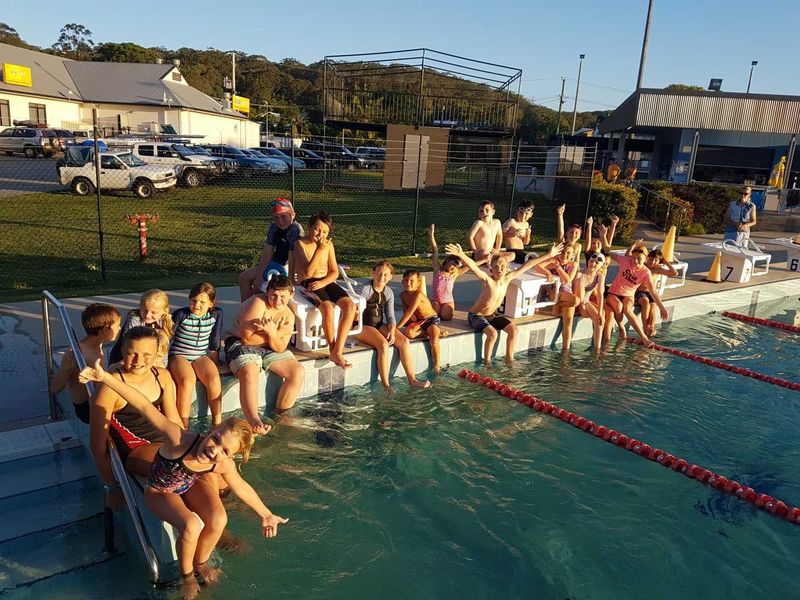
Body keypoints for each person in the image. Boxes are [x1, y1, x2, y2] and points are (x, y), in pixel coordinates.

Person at [79, 361, 287, 600]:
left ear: (231, 456)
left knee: (219, 518)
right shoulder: (179, 438)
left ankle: (201, 563)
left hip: (186, 485)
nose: (215, 450)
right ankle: (186, 576)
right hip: (159, 491)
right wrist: (105, 377)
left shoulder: (222, 463)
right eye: (216, 439)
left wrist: (265, 514)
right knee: (191, 525)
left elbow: (241, 486)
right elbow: (145, 407)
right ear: (211, 430)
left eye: (225, 451)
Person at [90, 326, 181, 513]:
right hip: (135, 449)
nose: (139, 361)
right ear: (122, 350)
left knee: (213, 474)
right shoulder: (110, 387)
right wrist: (111, 486)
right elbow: (98, 444)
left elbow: (175, 421)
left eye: (147, 354)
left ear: (157, 354)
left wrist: (192, 445)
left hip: (163, 441)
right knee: (176, 472)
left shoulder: (162, 376)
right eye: (132, 353)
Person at [444, 242, 562, 366]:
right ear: (491, 269)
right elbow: (473, 266)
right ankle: (487, 362)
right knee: (492, 333)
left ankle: (509, 359)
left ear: (507, 267)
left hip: (491, 316)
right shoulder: (488, 280)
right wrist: (461, 254)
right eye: (495, 267)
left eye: (502, 266)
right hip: (476, 316)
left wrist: (548, 255)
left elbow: (528, 265)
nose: (499, 269)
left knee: (514, 330)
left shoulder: (508, 278)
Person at [225, 275, 305, 435]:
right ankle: (254, 421)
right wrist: (275, 334)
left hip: (268, 346)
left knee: (297, 371)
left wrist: (272, 333)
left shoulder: (288, 314)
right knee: (250, 371)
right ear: (267, 292)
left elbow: (280, 347)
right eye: (273, 295)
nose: (277, 300)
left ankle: (280, 416)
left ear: (291, 294)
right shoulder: (258, 303)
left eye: (283, 296)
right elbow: (247, 339)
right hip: (239, 342)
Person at [291, 211, 357, 369]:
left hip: (326, 281)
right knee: (327, 307)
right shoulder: (300, 244)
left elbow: (334, 271)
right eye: (317, 229)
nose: (320, 234)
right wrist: (319, 250)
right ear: (309, 227)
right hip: (309, 283)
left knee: (350, 306)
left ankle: (338, 350)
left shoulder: (329, 245)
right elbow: (307, 272)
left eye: (325, 231)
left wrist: (324, 282)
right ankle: (333, 348)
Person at [354, 261, 431, 390]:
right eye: (379, 273)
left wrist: (392, 328)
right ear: (373, 273)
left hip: (378, 324)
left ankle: (412, 380)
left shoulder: (388, 292)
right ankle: (386, 385)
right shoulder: (365, 289)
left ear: (390, 277)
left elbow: (390, 315)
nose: (382, 277)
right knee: (383, 345)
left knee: (404, 341)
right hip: (361, 325)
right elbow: (355, 310)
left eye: (386, 275)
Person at [50, 303, 121, 424]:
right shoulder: (78, 353)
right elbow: (54, 389)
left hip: (96, 399)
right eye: (117, 325)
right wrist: (66, 367)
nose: (119, 329)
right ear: (105, 329)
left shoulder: (97, 343)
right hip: (86, 408)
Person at [169, 283, 224, 428]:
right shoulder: (182, 315)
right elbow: (167, 337)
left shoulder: (215, 314)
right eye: (193, 300)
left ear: (212, 303)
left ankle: (217, 423)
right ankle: (183, 425)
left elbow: (214, 339)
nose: (197, 305)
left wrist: (216, 361)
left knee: (213, 378)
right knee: (187, 381)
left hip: (199, 355)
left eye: (202, 302)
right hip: (179, 355)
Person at [602, 242, 668, 347]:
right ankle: (621, 327)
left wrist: (662, 308)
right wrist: (603, 236)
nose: (635, 261)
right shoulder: (625, 261)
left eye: (639, 259)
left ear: (646, 259)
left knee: (627, 310)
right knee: (618, 306)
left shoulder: (646, 272)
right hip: (613, 292)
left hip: (628, 295)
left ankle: (644, 337)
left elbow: (653, 291)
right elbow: (608, 251)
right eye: (633, 257)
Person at [238, 197, 304, 302]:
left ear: (292, 215)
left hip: (287, 267)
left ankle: (259, 309)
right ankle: (246, 309)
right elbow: (267, 252)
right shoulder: (274, 228)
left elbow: (293, 257)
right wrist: (259, 275)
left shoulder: (295, 229)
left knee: (263, 289)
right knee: (244, 277)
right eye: (276, 218)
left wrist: (291, 278)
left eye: (283, 217)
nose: (280, 221)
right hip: (275, 263)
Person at [398, 269, 446, 373]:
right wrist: (407, 325)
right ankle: (433, 333)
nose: (408, 283)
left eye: (412, 281)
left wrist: (396, 328)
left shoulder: (418, 294)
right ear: (402, 282)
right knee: (409, 333)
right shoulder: (403, 295)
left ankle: (437, 365)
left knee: (434, 341)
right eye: (406, 280)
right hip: (420, 321)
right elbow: (405, 311)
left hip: (431, 319)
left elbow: (409, 312)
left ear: (418, 283)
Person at [109, 289, 174, 365]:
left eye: (154, 312)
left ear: (164, 311)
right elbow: (130, 343)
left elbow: (164, 350)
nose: (147, 315)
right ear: (140, 306)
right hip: (127, 358)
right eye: (144, 310)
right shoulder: (135, 318)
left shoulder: (165, 323)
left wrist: (164, 366)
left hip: (152, 360)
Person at [429, 224, 467, 321]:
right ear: (448, 260)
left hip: (447, 301)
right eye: (453, 264)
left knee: (446, 316)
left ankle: (443, 311)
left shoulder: (454, 275)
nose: (454, 268)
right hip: (436, 300)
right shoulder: (437, 270)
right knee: (433, 315)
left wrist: (484, 259)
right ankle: (438, 312)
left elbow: (471, 266)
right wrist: (431, 235)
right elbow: (435, 250)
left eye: (457, 267)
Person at [637, 249, 679, 337]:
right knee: (646, 304)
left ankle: (651, 328)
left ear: (659, 261)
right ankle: (645, 329)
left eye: (656, 260)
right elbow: (629, 256)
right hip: (640, 291)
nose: (652, 262)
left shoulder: (657, 269)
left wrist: (665, 261)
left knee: (653, 308)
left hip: (651, 293)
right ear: (647, 258)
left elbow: (674, 273)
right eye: (651, 259)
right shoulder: (642, 265)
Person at [574, 253, 607, 354]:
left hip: (586, 301)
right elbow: (577, 294)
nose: (593, 264)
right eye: (591, 261)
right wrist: (582, 307)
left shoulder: (599, 275)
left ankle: (597, 348)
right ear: (588, 262)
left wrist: (600, 312)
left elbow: (601, 295)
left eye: (597, 263)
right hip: (576, 301)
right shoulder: (580, 274)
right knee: (597, 317)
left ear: (601, 266)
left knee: (599, 319)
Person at [556, 204, 583, 268]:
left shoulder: (578, 246)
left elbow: (577, 261)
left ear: (579, 236)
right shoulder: (562, 242)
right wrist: (560, 214)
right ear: (566, 233)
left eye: (576, 233)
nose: (573, 234)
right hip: (558, 267)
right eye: (571, 232)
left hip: (569, 270)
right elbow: (561, 230)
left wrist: (577, 271)